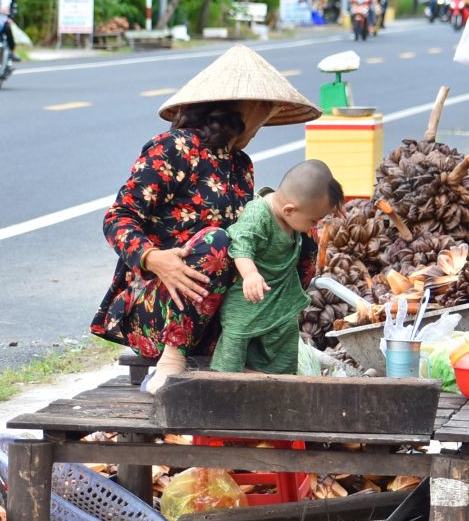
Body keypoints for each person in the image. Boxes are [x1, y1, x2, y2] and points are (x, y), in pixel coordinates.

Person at [90, 45, 322, 392]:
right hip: (160, 306)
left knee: (300, 236)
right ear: (246, 108)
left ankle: (257, 349)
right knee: (218, 241)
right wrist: (155, 259)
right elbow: (117, 218)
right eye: (264, 112)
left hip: (217, 313)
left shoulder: (241, 165)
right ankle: (172, 360)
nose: (263, 123)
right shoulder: (173, 148)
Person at [212, 160, 344, 374]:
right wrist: (250, 274)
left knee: (284, 338)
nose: (315, 226)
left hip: (279, 296)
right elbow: (241, 241)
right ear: (290, 210)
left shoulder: (290, 215)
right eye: (313, 220)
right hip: (249, 295)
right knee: (237, 336)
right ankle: (227, 378)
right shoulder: (258, 214)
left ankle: (279, 379)